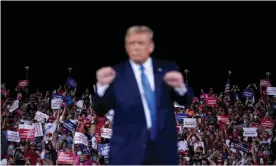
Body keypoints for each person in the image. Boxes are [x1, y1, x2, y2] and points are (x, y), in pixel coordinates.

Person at [94, 25, 192, 165]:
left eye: (140, 43)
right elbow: (101, 108)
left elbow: (186, 99)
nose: (136, 47)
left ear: (150, 46)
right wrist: (101, 87)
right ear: (126, 47)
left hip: (162, 153)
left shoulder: (166, 69)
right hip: (126, 153)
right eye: (132, 43)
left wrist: (181, 87)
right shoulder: (116, 74)